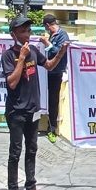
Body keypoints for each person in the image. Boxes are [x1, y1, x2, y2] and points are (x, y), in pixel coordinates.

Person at [2, 15, 68, 190]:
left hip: (32, 109)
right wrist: (21, 59)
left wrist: (60, 53)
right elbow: (12, 82)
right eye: (23, 31)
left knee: (32, 149)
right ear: (13, 34)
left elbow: (48, 65)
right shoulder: (8, 55)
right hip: (16, 111)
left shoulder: (32, 50)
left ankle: (30, 188)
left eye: (29, 31)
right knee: (15, 152)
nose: (27, 35)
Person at [40, 14, 69, 144]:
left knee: (53, 100)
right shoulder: (53, 35)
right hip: (44, 71)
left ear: (48, 25)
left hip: (55, 72)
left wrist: (46, 43)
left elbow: (58, 52)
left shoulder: (63, 35)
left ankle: (52, 128)